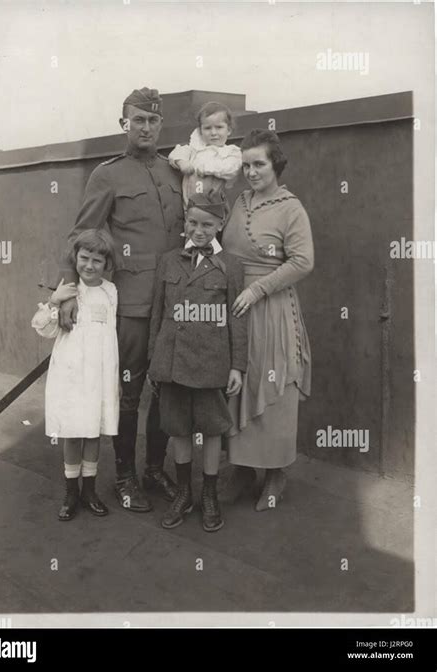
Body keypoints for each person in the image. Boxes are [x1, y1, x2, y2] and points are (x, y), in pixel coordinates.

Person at [56, 87, 185, 513]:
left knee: (167, 390)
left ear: (160, 124)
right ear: (123, 124)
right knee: (129, 394)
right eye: (137, 120)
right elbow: (82, 235)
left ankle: (153, 468)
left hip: (173, 303)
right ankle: (125, 477)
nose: (145, 128)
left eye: (152, 120)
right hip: (130, 305)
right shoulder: (107, 175)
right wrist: (69, 290)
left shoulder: (175, 172)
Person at [221, 129, 314, 511]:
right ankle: (242, 470)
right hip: (236, 310)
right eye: (246, 165)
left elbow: (303, 262)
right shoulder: (239, 202)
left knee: (273, 388)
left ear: (275, 164)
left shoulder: (291, 208)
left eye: (259, 163)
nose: (252, 171)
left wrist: (258, 290)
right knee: (236, 387)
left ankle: (275, 474)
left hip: (272, 310)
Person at [148, 191, 248, 531]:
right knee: (178, 429)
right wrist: (153, 360)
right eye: (192, 222)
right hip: (172, 360)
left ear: (220, 224)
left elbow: (237, 318)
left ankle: (209, 495)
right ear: (185, 223)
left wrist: (237, 365)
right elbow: (158, 313)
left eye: (207, 224)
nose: (199, 230)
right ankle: (184, 493)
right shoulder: (169, 260)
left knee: (211, 428)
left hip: (212, 362)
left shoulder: (232, 266)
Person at [32, 229, 119, 521]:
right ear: (75, 258)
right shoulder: (66, 290)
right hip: (70, 376)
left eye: (97, 260)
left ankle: (89, 490)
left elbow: (109, 337)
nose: (90, 265)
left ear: (107, 264)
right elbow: (44, 328)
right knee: (72, 432)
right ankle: (71, 492)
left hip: (99, 375)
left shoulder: (110, 292)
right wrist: (55, 301)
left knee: (93, 432)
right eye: (84, 258)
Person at [168, 101, 242, 212]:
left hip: (214, 209)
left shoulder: (230, 152)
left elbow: (231, 168)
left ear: (229, 130)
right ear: (200, 131)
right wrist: (181, 162)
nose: (213, 132)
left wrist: (207, 168)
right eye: (207, 128)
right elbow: (176, 153)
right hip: (189, 208)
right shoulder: (194, 149)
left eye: (219, 127)